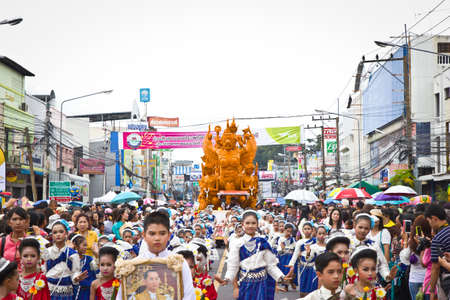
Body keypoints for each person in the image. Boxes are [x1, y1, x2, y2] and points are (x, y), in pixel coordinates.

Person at [116, 211, 195, 300]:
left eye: (162, 233)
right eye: (152, 233)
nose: (157, 238)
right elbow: (122, 296)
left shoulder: (179, 263)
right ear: (144, 235)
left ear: (169, 235)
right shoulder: (132, 266)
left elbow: (189, 294)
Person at [216, 210, 290, 300]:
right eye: (247, 223)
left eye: (253, 223)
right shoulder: (237, 244)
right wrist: (227, 279)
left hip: (262, 284)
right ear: (243, 224)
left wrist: (281, 277)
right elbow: (233, 266)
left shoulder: (263, 242)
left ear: (257, 224)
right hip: (245, 284)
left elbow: (271, 265)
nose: (250, 226)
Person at [44, 219, 87, 300]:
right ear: (52, 235)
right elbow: (44, 271)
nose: (58, 234)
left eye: (61, 231)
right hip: (49, 289)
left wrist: (76, 278)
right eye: (55, 232)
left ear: (66, 234)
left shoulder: (73, 254)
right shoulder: (47, 252)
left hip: (66, 292)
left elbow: (75, 271)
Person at [399, 215, 429, 300]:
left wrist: (407, 242)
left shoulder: (412, 242)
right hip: (428, 279)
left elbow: (405, 258)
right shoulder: (432, 241)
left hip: (414, 279)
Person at [425, 204, 450, 300]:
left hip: (446, 280)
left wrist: (432, 290)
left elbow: (435, 267)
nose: (429, 224)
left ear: (434, 218)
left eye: (429, 221)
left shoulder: (438, 238)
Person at [70, 233, 97, 300]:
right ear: (76, 246)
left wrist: (97, 255)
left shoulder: (89, 259)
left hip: (88, 292)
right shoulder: (71, 259)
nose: (86, 248)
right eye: (84, 245)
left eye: (86, 245)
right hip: (75, 291)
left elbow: (96, 268)